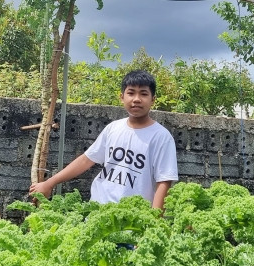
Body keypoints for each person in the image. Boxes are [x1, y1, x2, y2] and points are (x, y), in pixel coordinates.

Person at [29, 69, 178, 210]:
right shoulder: (113, 128)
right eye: (131, 93)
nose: (137, 99)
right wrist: (49, 183)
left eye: (143, 94)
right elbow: (86, 160)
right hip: (99, 210)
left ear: (153, 99)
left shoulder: (161, 137)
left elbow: (164, 181)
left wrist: (155, 221)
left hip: (134, 220)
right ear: (122, 97)